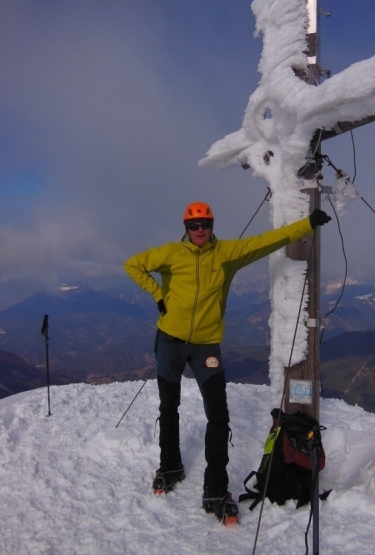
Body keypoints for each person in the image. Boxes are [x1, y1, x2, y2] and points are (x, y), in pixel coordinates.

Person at [123, 201, 331, 524]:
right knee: (168, 406)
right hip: (169, 342)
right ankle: (170, 466)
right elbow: (133, 265)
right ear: (186, 229)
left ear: (212, 224)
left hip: (206, 344)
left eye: (205, 223)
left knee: (218, 415)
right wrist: (159, 296)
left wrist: (307, 224)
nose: (200, 230)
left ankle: (216, 488)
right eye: (194, 225)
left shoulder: (226, 256)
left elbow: (267, 241)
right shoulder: (170, 254)